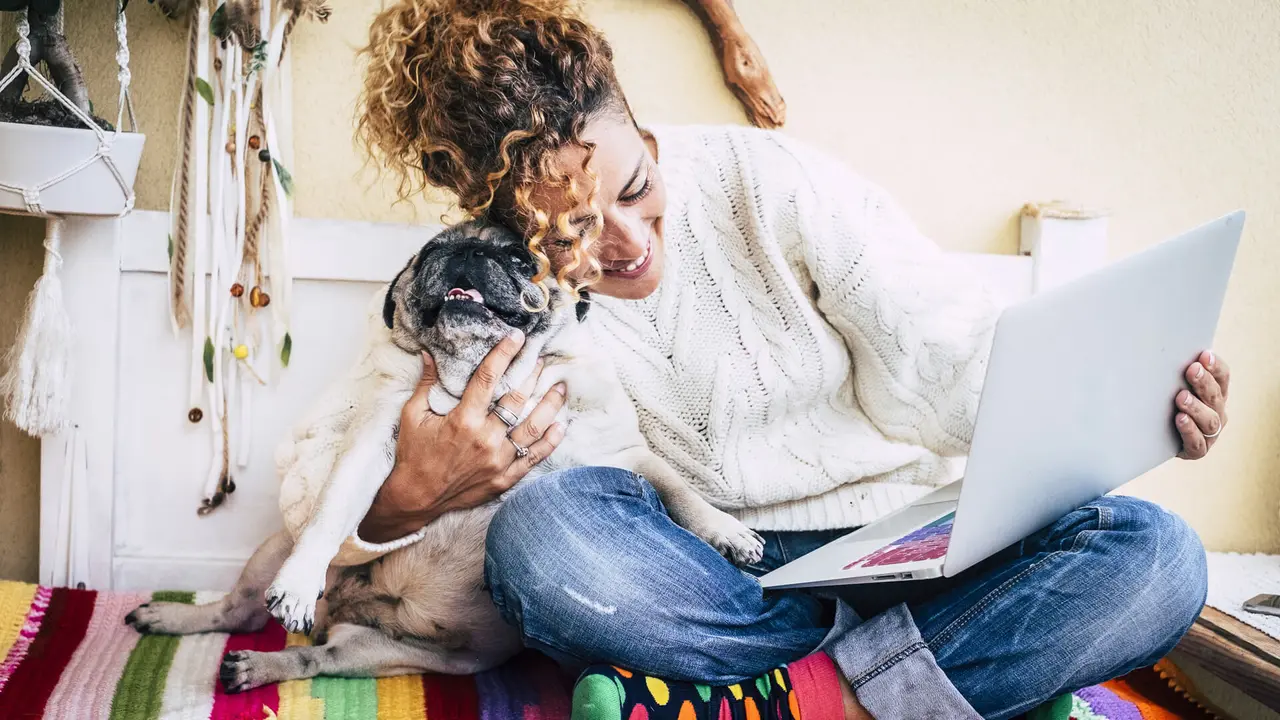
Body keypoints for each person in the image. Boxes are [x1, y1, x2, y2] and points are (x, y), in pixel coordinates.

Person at [350, 1, 1228, 717]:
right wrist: (402, 503)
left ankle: (797, 702)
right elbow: (371, 503)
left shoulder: (769, 180)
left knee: (1158, 556)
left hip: (907, 546)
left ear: (639, 127)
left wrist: (1132, 407)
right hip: (713, 580)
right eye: (574, 230)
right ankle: (910, 683)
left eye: (635, 190)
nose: (625, 246)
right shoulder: (470, 286)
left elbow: (952, 356)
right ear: (500, 218)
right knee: (542, 544)